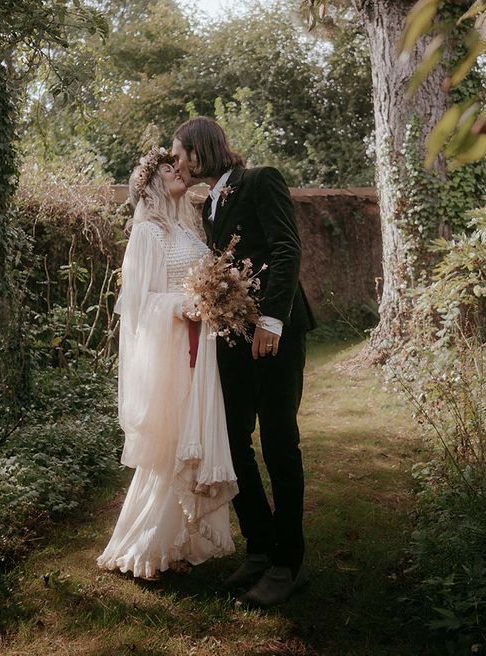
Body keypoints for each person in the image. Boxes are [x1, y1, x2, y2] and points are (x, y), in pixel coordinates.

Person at [172, 118, 316, 607]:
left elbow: (286, 248)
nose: (176, 163)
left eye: (179, 154)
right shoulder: (208, 206)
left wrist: (272, 319)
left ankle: (288, 564)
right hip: (234, 339)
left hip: (277, 333)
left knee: (279, 444)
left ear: (199, 150)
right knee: (232, 442)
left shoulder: (261, 181)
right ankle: (260, 546)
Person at [97, 147, 238, 580]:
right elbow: (138, 306)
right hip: (173, 350)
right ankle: (149, 542)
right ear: (150, 183)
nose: (177, 169)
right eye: (166, 166)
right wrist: (181, 305)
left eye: (176, 163)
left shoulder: (190, 229)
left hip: (202, 349)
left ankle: (185, 541)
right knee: (173, 442)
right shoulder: (148, 233)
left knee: (194, 437)